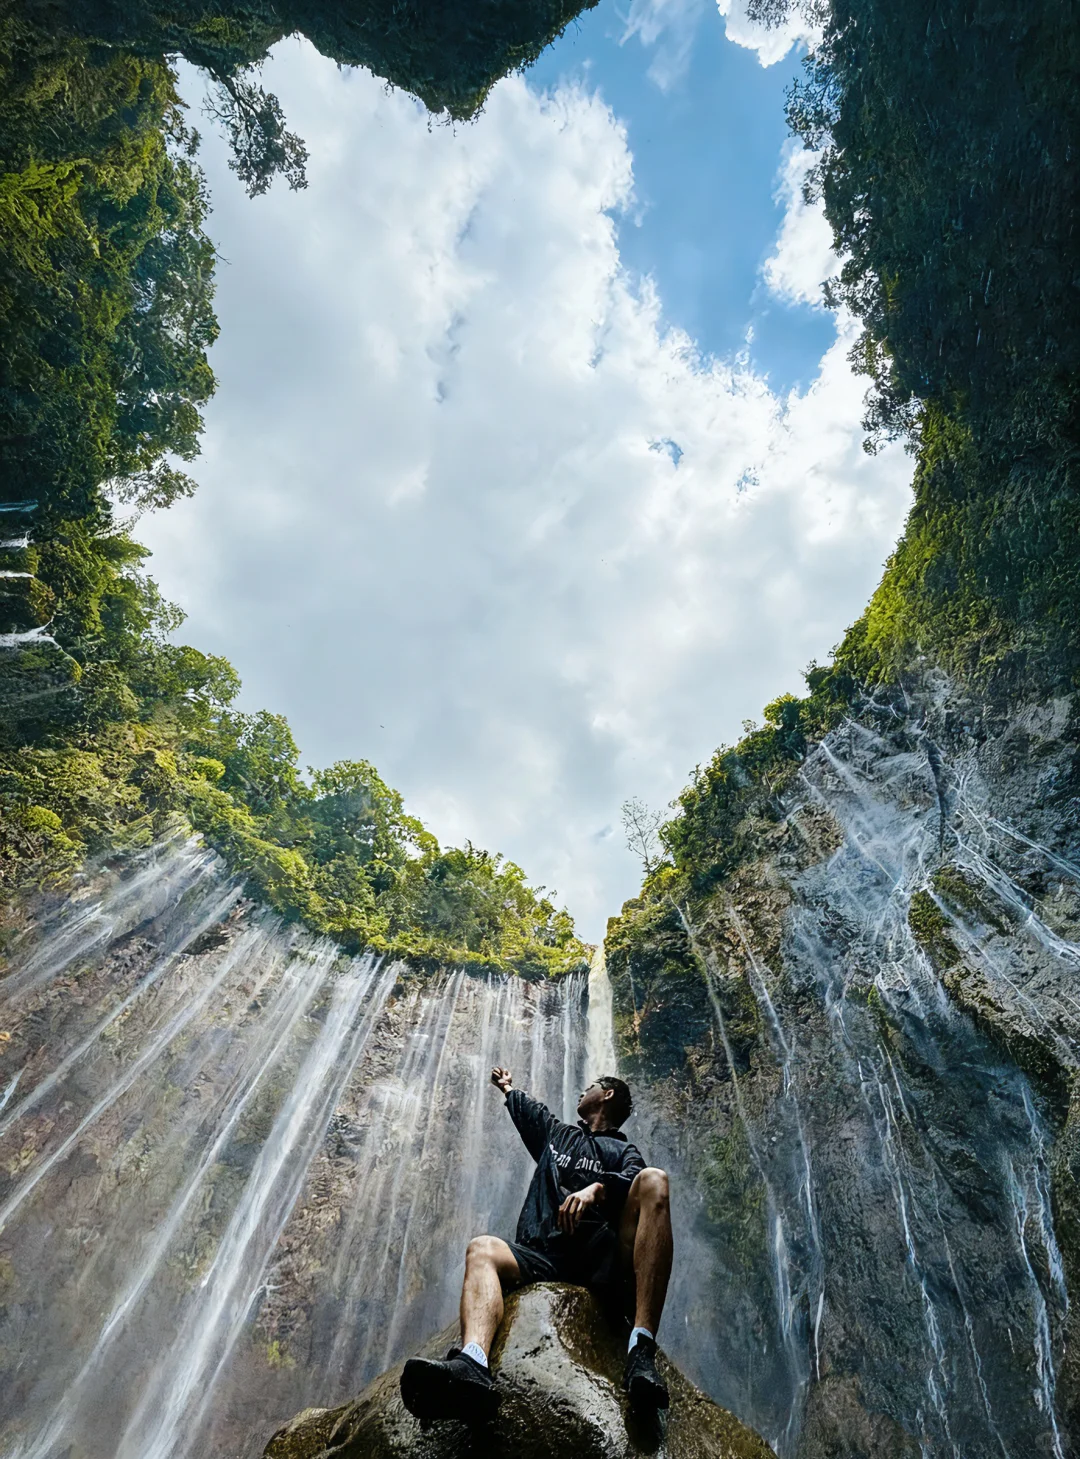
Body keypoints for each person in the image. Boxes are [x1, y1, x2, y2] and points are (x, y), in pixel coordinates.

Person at [399, 1065, 674, 1424]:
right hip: (544, 1254)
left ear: (606, 1094)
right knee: (481, 1248)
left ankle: (640, 1350)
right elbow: (533, 1112)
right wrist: (508, 1089)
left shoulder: (623, 1152)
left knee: (654, 1179)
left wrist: (597, 1189)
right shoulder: (556, 1136)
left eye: (589, 1086)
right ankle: (472, 1364)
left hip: (602, 1264)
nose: (581, 1091)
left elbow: (633, 1181)